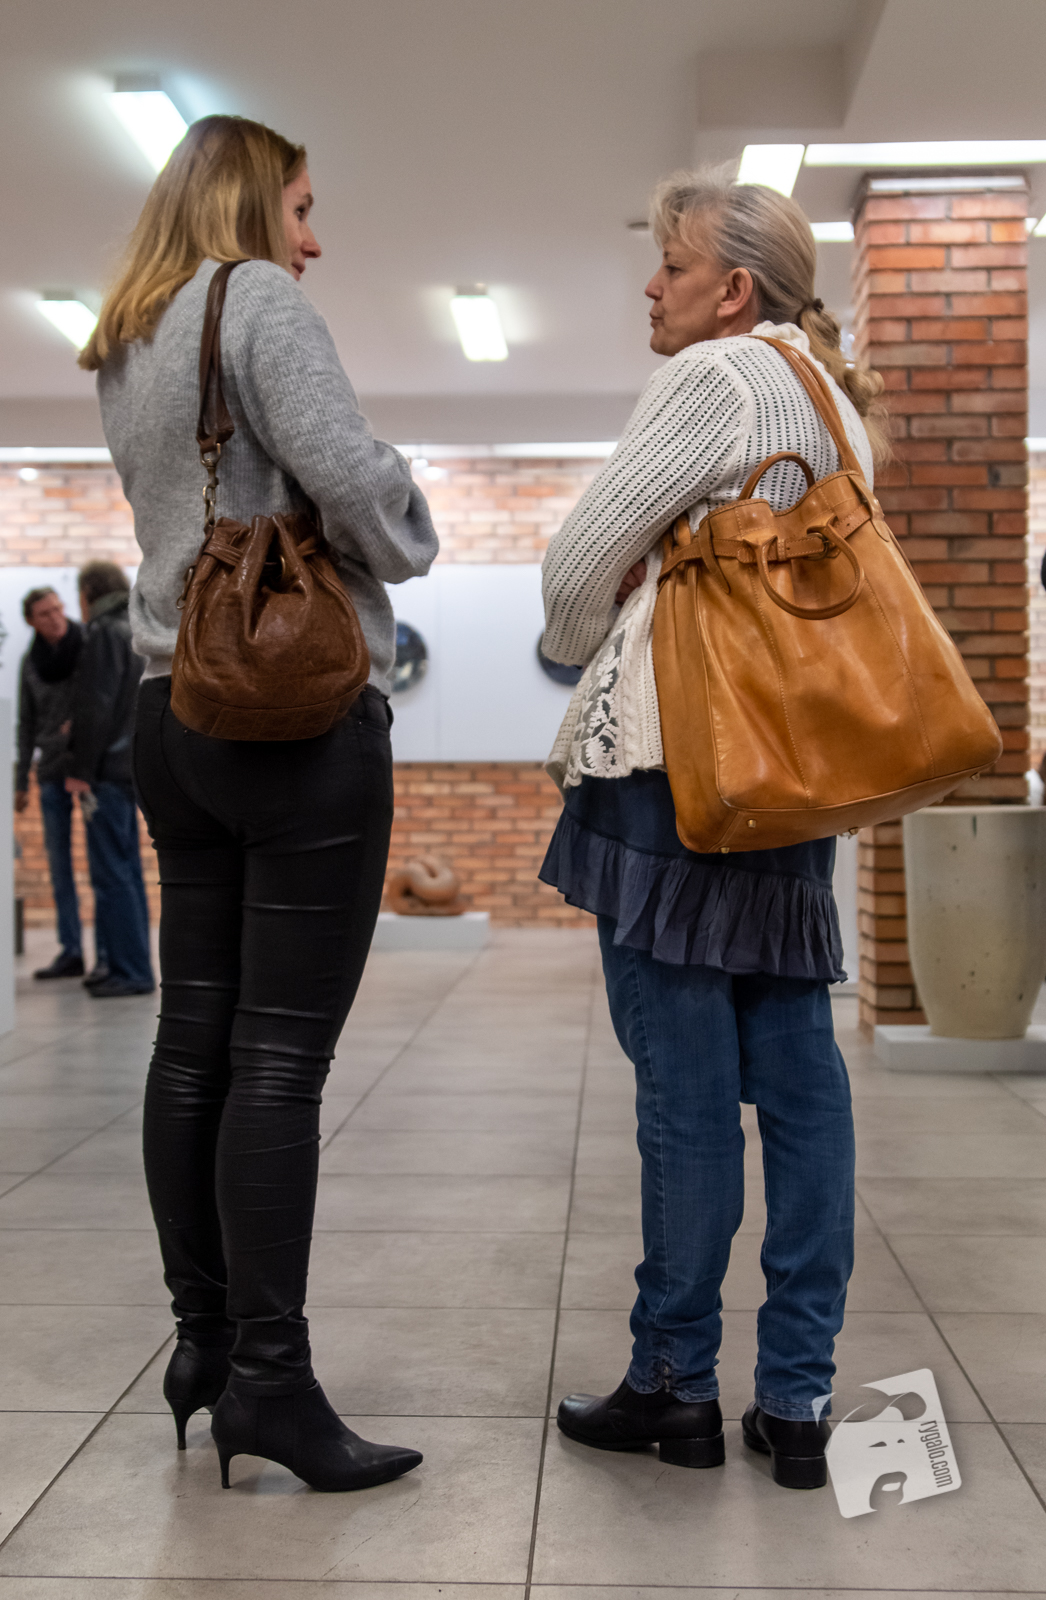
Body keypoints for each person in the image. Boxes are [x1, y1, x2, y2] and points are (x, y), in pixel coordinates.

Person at [79, 115, 438, 1492]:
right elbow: (349, 482)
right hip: (292, 718)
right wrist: (410, 523)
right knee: (281, 1059)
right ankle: (272, 1387)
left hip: (172, 711)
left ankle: (206, 1345)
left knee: (195, 1047)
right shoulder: (258, 304)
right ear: (247, 204)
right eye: (299, 205)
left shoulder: (130, 334)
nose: (312, 237)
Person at [540, 169, 888, 1491]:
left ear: (732, 289)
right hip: (789, 779)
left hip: (677, 774)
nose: (651, 286)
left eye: (670, 265)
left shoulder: (715, 377)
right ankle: (795, 1397)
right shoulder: (831, 403)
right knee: (797, 1078)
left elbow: (573, 569)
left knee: (682, 1093)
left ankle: (674, 1383)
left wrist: (589, 619)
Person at [63, 562, 153, 998]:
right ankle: (126, 963)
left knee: (112, 873)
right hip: (131, 764)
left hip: (105, 770)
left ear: (88, 593)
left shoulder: (102, 631)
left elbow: (96, 707)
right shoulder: (135, 626)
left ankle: (130, 970)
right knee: (126, 870)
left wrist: (79, 769)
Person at [15, 587, 100, 981]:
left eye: (58, 609)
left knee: (102, 862)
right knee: (59, 864)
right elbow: (26, 724)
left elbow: (106, 697)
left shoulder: (89, 645)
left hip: (89, 768)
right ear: (31, 621)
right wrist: (20, 782)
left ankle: (108, 953)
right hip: (50, 771)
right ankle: (71, 951)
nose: (55, 618)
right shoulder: (31, 663)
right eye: (45, 614)